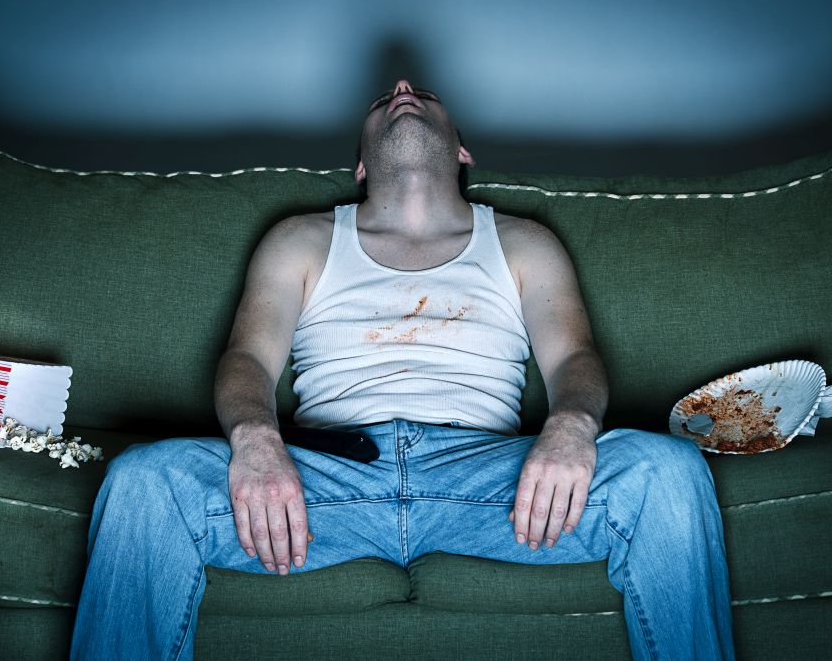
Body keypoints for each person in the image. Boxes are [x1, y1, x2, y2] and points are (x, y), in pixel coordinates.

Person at [70, 80, 735, 660]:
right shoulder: (301, 239)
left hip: (484, 479)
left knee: (669, 474)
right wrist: (256, 439)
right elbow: (245, 360)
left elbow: (574, 359)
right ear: (361, 163)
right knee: (142, 483)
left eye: (424, 97)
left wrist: (571, 426)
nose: (403, 85)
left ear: (463, 152)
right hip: (325, 479)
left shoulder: (523, 242)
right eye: (383, 99)